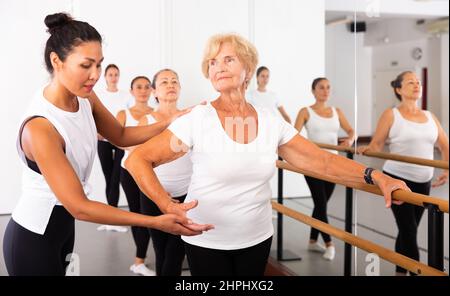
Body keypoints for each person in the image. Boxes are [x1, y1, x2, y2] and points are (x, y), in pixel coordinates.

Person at [125, 33, 410, 276]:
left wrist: (375, 176)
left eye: (228, 59)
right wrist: (166, 204)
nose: (218, 67)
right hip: (207, 240)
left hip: (257, 238)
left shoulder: (270, 120)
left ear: (248, 69)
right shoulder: (197, 118)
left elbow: (320, 160)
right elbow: (139, 159)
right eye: (213, 62)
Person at [2, 12, 211, 276]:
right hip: (33, 235)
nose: (95, 75)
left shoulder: (85, 99)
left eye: (99, 65)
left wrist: (169, 119)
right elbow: (79, 206)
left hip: (63, 228)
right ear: (57, 61)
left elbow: (121, 136)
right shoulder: (41, 127)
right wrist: (156, 222)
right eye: (86, 65)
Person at [358, 71, 449, 275]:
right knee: (409, 230)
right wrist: (367, 147)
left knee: (408, 229)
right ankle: (417, 271)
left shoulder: (429, 116)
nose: (417, 85)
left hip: (424, 181)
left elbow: (444, 145)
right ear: (398, 89)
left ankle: (400, 272)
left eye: (418, 82)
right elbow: (377, 143)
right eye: (410, 82)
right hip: (397, 179)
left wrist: (446, 169)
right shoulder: (391, 114)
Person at [138, 69, 193, 276]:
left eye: (174, 81)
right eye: (164, 82)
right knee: (161, 251)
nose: (170, 85)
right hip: (153, 195)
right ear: (154, 91)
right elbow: (138, 163)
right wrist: (158, 193)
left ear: (179, 88)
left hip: (185, 195)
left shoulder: (191, 118)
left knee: (176, 253)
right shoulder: (146, 121)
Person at [294, 77, 355, 261]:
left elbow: (351, 131)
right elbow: (293, 136)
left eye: (328, 87)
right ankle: (329, 243)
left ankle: (312, 240)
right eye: (321, 87)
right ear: (313, 91)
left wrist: (350, 140)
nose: (325, 90)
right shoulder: (305, 111)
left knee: (321, 205)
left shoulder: (337, 111)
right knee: (321, 204)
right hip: (312, 164)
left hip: (332, 164)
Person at [116, 76, 155, 276]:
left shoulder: (156, 114)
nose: (143, 90)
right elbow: (117, 140)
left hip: (150, 170)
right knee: (136, 214)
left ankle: (141, 259)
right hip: (129, 170)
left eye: (147, 87)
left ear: (152, 90)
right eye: (138, 87)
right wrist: (139, 148)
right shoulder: (124, 114)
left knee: (149, 214)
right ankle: (139, 261)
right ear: (131, 91)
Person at [96, 64, 131, 232]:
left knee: (116, 177)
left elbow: (128, 116)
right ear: (105, 76)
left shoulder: (126, 96)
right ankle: (110, 218)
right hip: (102, 139)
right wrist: (97, 131)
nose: (113, 77)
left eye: (116, 74)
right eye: (110, 74)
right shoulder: (99, 94)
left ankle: (113, 219)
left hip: (119, 139)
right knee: (108, 177)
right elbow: (93, 114)